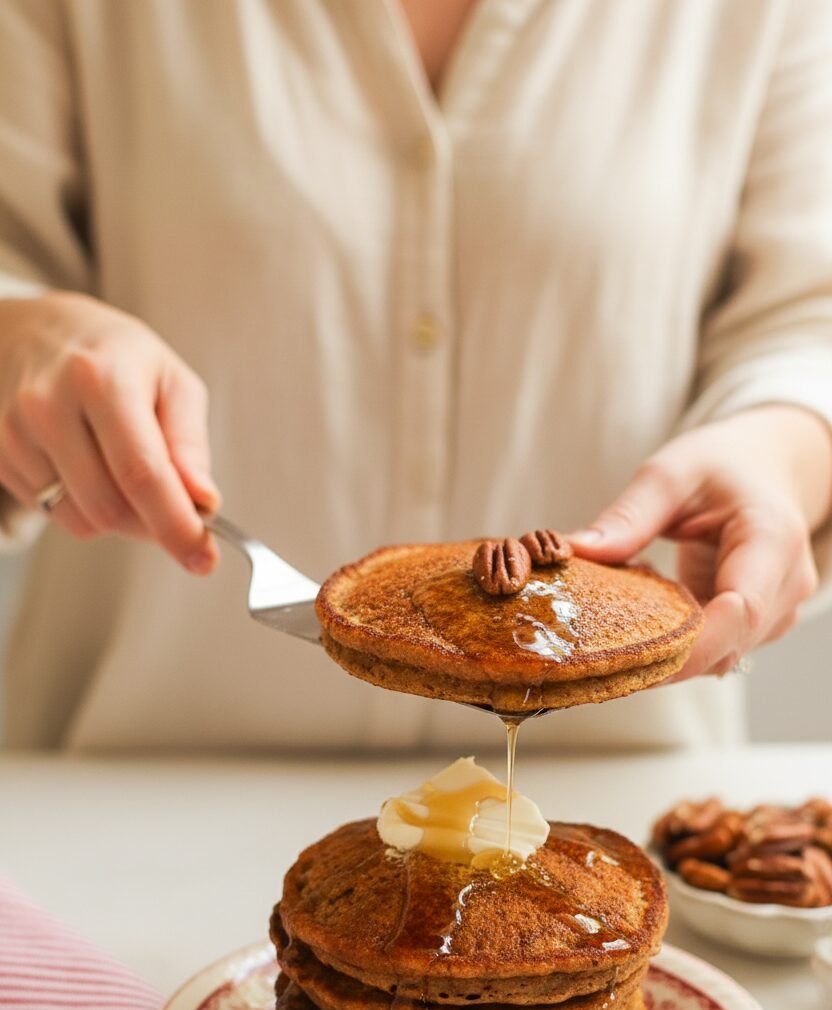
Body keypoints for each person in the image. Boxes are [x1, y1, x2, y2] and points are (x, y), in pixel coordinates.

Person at [0, 0, 830, 753]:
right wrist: (25, 334)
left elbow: (807, 312)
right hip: (133, 788)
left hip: (616, 786)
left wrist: (782, 449)